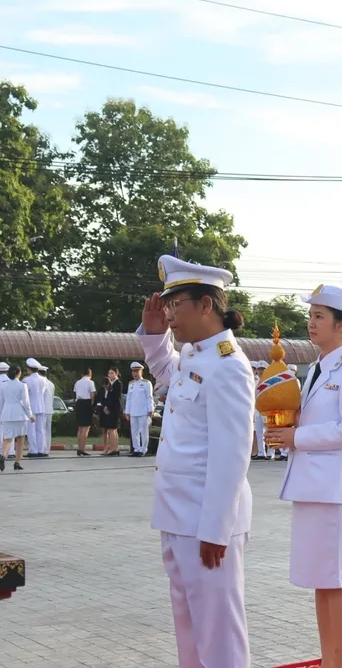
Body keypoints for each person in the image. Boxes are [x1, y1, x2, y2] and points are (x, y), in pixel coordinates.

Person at [136, 254, 255, 668]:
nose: (169, 315)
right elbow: (168, 373)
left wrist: (216, 530)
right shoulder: (195, 357)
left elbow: (232, 455)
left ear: (206, 305)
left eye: (176, 305)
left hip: (205, 524)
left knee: (219, 637)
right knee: (189, 631)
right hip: (177, 516)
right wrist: (153, 337)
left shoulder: (228, 367)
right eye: (166, 306)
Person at [265, 284, 342, 668]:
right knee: (320, 580)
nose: (311, 324)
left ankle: (340, 663)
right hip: (312, 486)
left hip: (335, 490)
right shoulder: (317, 369)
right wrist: (286, 431)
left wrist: (300, 437)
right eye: (310, 316)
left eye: (319, 317)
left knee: (337, 580)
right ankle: (329, 659)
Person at [0, 366, 34, 472]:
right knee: (20, 439)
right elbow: (26, 403)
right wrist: (30, 415)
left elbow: (1, 401)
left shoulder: (3, 385)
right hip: (19, 415)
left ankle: (3, 456)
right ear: (18, 373)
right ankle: (17, 462)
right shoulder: (22, 386)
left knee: (7, 439)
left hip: (7, 414)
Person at [124, 362, 155, 457]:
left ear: (141, 371)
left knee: (144, 431)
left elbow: (149, 397)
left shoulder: (146, 383)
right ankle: (136, 449)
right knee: (134, 431)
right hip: (133, 411)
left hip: (143, 411)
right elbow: (129, 398)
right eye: (133, 371)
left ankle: (143, 449)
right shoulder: (131, 384)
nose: (134, 374)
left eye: (137, 371)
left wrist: (151, 409)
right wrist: (127, 411)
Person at [24, 358, 47, 457]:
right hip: (41, 406)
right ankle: (41, 450)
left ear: (29, 369)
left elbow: (25, 395)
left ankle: (33, 450)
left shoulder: (26, 380)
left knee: (31, 430)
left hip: (31, 407)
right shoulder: (43, 380)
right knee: (40, 429)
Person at [99, 368, 123, 456]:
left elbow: (115, 398)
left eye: (112, 373)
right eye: (109, 373)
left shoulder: (118, 384)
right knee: (112, 429)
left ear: (116, 374)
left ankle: (113, 449)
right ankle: (114, 448)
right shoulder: (111, 384)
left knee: (112, 429)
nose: (110, 375)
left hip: (114, 409)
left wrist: (108, 407)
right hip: (110, 408)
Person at [73, 367, 96, 457]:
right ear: (90, 374)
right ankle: (82, 449)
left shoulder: (77, 382)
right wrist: (92, 404)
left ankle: (79, 447)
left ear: (82, 374)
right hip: (87, 402)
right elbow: (92, 395)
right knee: (86, 428)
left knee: (80, 427)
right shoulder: (90, 382)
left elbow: (75, 393)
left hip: (79, 403)